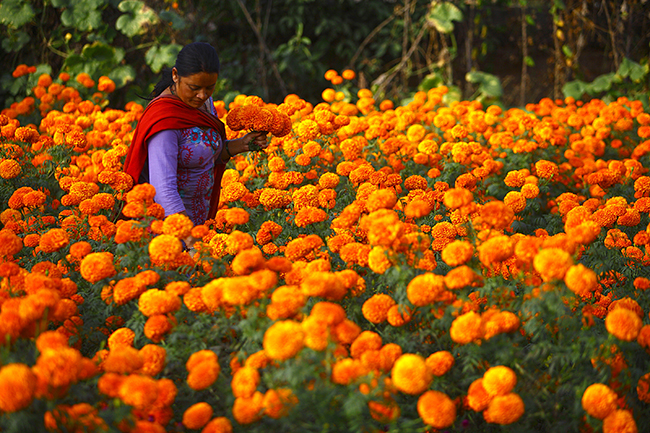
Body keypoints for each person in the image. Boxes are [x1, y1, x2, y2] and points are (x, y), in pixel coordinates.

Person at [124, 42, 267, 249]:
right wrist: (192, 243)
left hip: (201, 223)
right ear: (175, 75)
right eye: (194, 88)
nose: (202, 95)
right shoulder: (165, 121)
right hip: (171, 234)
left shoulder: (203, 104)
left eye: (209, 87)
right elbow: (163, 191)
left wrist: (242, 144)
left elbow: (209, 154)